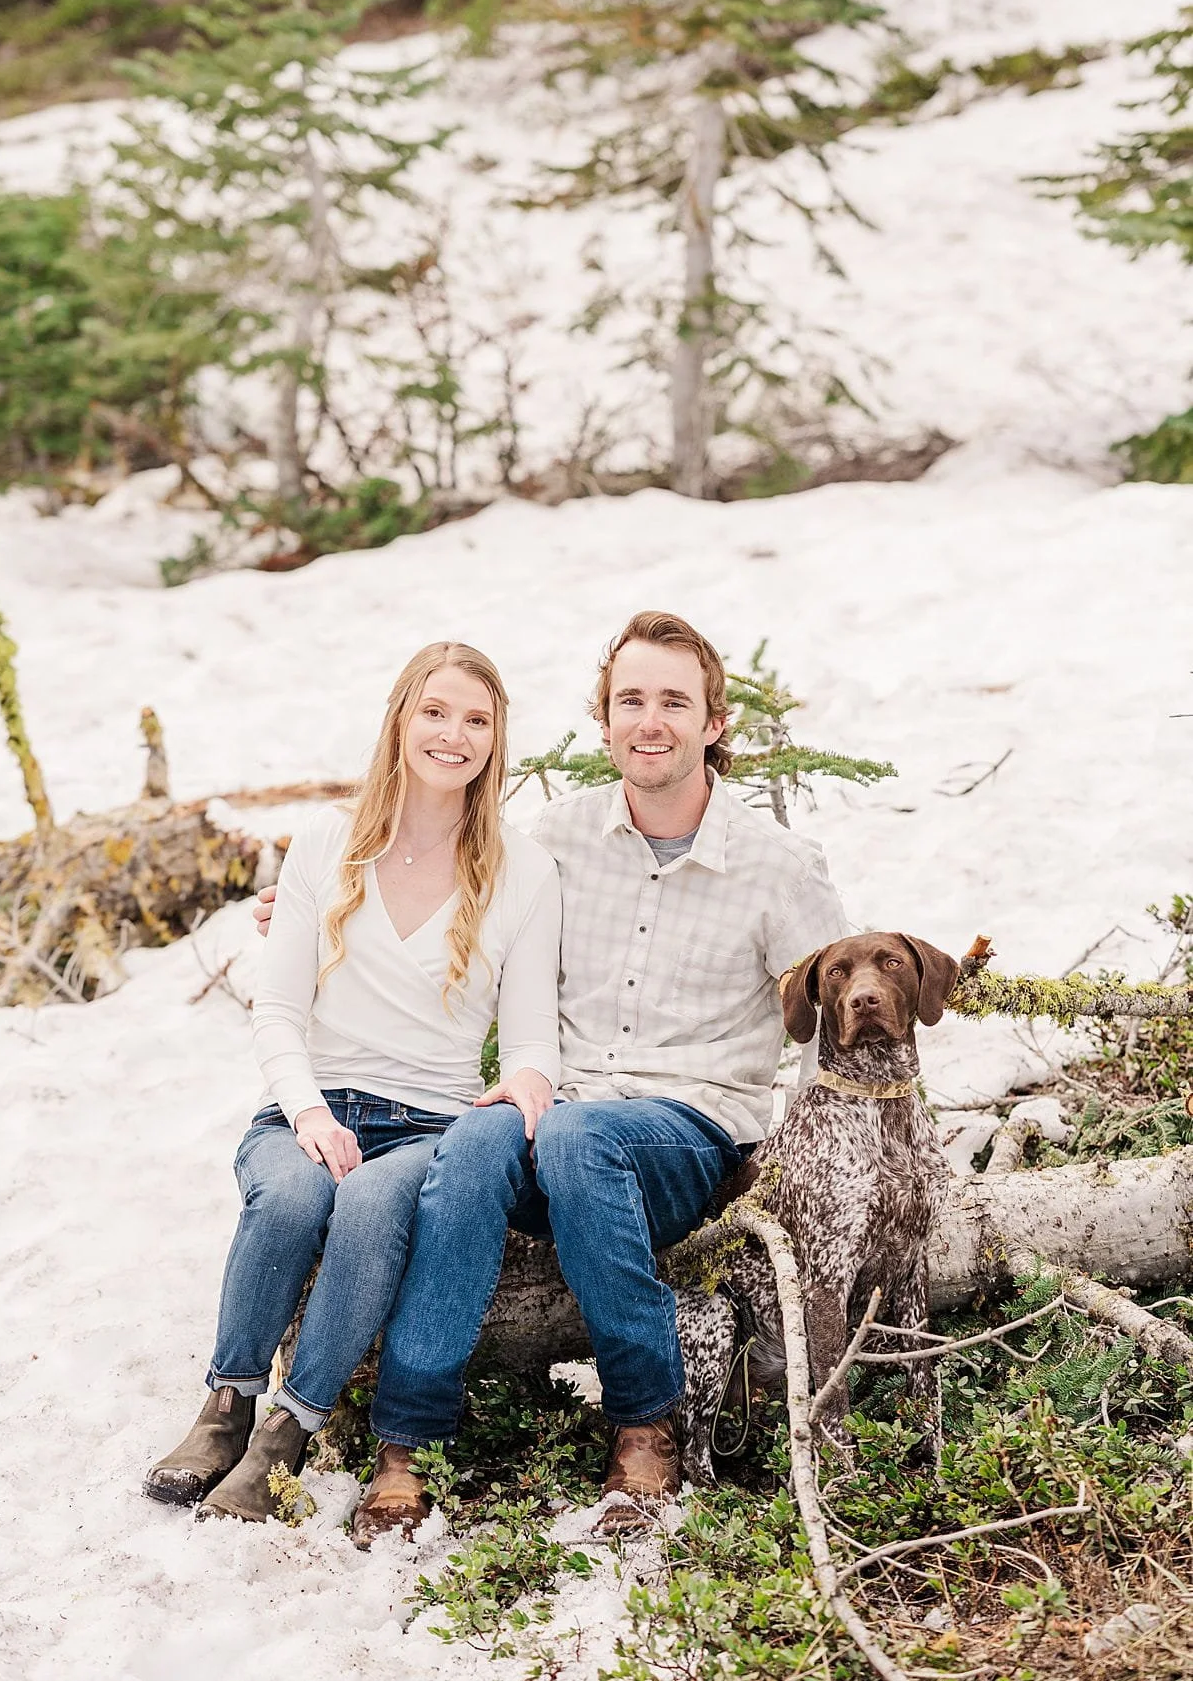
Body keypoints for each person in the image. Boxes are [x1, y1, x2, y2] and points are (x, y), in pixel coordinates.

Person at [259, 611, 854, 1540]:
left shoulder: (778, 866)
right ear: (605, 719)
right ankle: (408, 1443)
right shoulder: (555, 844)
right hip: (558, 1113)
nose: (649, 720)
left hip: (685, 1133)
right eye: (629, 700)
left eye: (673, 701)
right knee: (477, 1136)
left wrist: (805, 1168)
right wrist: (303, 902)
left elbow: (831, 1015)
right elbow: (436, 885)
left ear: (714, 723)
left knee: (576, 1135)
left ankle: (644, 1421)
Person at [142, 643, 562, 1521]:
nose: (453, 735)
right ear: (399, 721)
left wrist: (526, 1082)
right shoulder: (330, 841)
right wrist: (307, 1112)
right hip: (311, 1102)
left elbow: (528, 1036)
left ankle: (286, 1434)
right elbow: (277, 1009)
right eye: (435, 712)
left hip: (431, 1122)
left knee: (371, 1202)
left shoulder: (522, 870)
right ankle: (227, 1404)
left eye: (476, 719)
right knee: (292, 1197)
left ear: (497, 738)